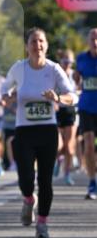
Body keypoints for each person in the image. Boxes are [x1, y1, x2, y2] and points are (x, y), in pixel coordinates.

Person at [1, 28, 76, 238]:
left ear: (47, 45)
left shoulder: (54, 69)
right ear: (27, 46)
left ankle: (42, 223)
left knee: (45, 180)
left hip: (47, 131)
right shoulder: (19, 68)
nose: (38, 45)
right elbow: (4, 90)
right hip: (24, 130)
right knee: (25, 177)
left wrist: (58, 98)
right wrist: (7, 97)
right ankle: (28, 199)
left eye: (41, 41)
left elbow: (72, 95)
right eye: (33, 41)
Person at [75, 28, 97, 201]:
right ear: (88, 40)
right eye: (92, 38)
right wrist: (76, 77)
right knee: (88, 145)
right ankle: (92, 181)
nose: (95, 41)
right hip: (86, 107)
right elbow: (77, 77)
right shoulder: (81, 58)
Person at [55, 50, 78, 185]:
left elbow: (80, 88)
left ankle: (67, 173)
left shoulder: (75, 75)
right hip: (58, 110)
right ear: (61, 61)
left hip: (71, 110)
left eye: (70, 62)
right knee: (59, 145)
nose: (67, 64)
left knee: (69, 147)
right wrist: (53, 102)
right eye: (65, 61)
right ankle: (59, 159)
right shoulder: (56, 74)